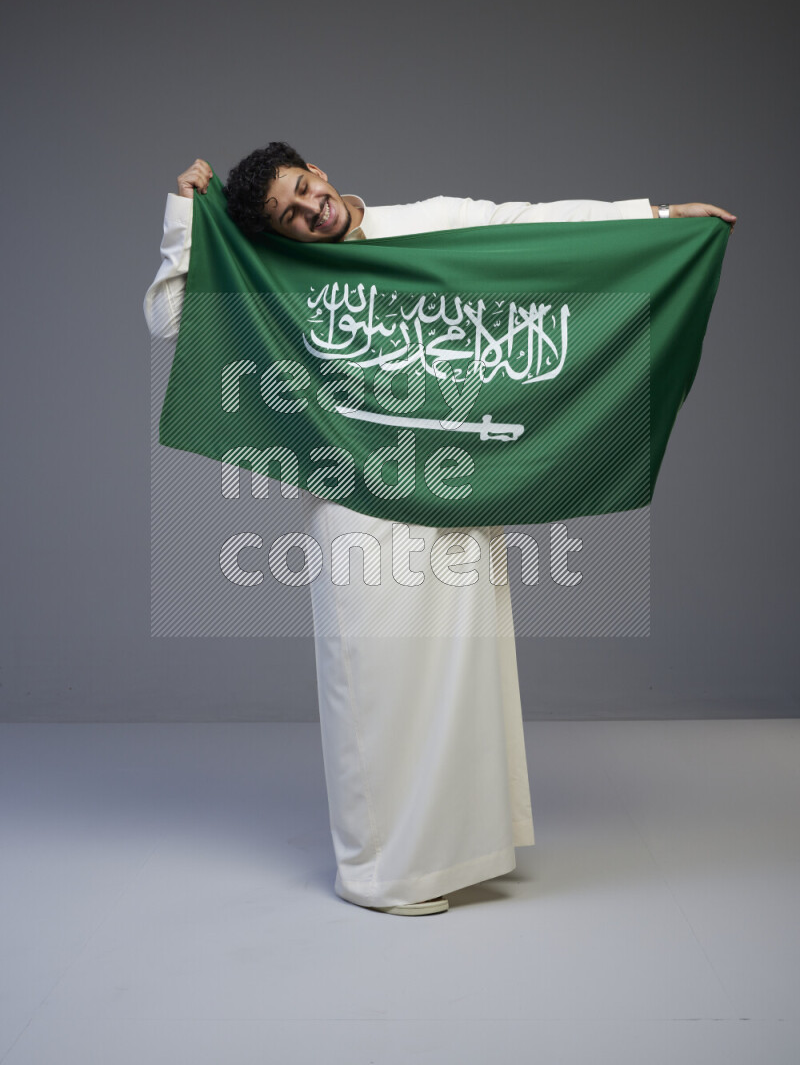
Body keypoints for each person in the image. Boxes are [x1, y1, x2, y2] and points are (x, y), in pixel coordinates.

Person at [144, 144, 736, 916]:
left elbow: (530, 228)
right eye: (290, 215)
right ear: (280, 232)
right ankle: (383, 872)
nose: (310, 211)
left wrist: (653, 219)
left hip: (456, 480)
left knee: (462, 669)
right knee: (373, 679)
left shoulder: (427, 226)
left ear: (318, 169)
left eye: (304, 190)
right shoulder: (287, 277)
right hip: (355, 494)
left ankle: (463, 851)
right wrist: (188, 218)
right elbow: (174, 320)